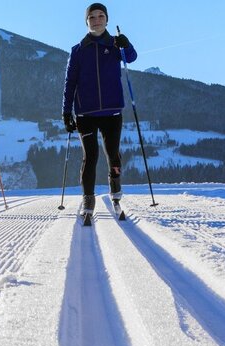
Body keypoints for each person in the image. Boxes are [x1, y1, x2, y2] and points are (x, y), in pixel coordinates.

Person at [62, 2, 137, 226]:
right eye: (92, 17)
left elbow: (131, 58)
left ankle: (116, 194)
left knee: (113, 154)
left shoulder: (115, 45)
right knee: (91, 156)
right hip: (85, 113)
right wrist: (66, 112)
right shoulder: (77, 50)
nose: (96, 20)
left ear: (107, 19)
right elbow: (70, 83)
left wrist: (127, 44)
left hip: (112, 111)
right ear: (86, 22)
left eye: (100, 16)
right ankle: (88, 199)